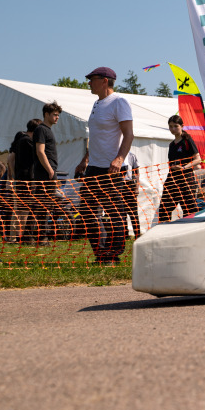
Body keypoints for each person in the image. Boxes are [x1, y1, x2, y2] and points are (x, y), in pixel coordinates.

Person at [74, 67, 134, 266]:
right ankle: (100, 253)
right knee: (87, 212)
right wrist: (85, 159)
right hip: (94, 167)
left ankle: (112, 254)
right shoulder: (96, 104)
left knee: (114, 211)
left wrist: (119, 159)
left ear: (105, 81)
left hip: (112, 168)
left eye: (92, 79)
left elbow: (129, 134)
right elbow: (97, 137)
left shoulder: (119, 102)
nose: (89, 83)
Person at [157, 115, 201, 223]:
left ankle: (190, 232)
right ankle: (164, 232)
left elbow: (198, 159)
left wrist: (183, 167)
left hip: (186, 179)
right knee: (164, 208)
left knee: (189, 209)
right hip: (172, 179)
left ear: (182, 126)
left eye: (175, 126)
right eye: (170, 126)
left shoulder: (187, 140)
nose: (173, 129)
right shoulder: (171, 145)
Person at [29, 102, 62, 243]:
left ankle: (39, 236)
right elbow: (40, 151)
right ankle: (38, 237)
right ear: (46, 114)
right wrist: (50, 170)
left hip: (48, 172)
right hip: (44, 173)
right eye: (54, 114)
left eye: (58, 115)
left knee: (44, 205)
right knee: (41, 205)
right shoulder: (41, 129)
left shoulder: (47, 130)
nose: (57, 117)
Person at [7, 118, 40, 243]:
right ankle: (19, 236)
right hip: (26, 180)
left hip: (19, 179)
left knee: (18, 209)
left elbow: (10, 159)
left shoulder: (20, 141)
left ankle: (13, 237)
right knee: (24, 209)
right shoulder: (28, 141)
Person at [121, 151, 141, 238]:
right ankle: (125, 235)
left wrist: (136, 187)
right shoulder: (113, 154)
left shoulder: (131, 155)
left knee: (133, 213)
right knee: (122, 213)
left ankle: (137, 235)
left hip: (129, 185)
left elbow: (136, 172)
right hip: (119, 184)